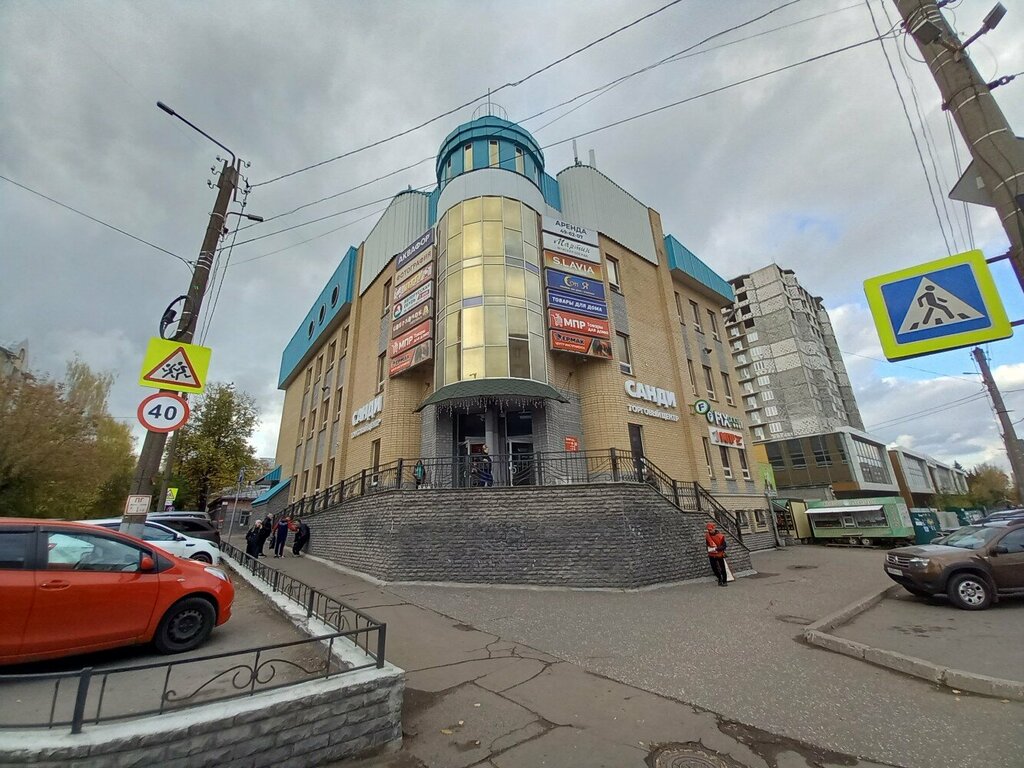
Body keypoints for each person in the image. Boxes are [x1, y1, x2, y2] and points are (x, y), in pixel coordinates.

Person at [705, 522, 728, 586]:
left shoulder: (720, 536)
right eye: (708, 530)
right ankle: (719, 578)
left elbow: (724, 546)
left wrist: (716, 549)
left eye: (710, 530)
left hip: (719, 554)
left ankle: (724, 581)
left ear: (714, 528)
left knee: (722, 568)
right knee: (714, 568)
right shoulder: (707, 535)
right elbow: (707, 544)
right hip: (711, 554)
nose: (709, 531)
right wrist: (708, 549)